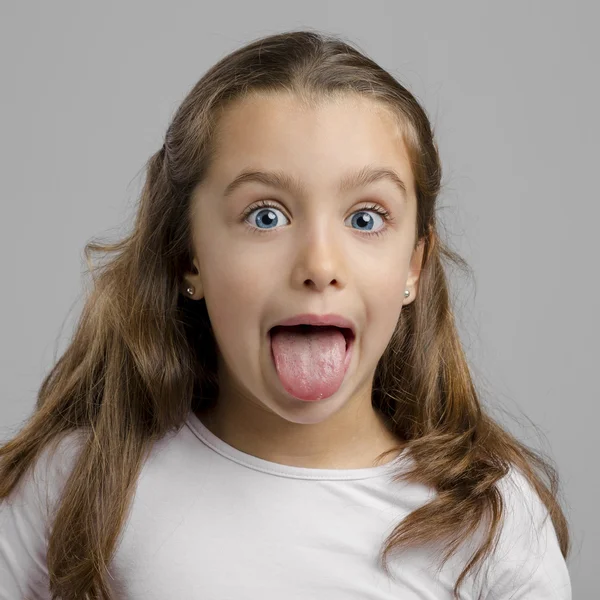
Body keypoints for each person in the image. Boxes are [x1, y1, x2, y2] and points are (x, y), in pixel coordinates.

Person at [0, 30, 571, 599]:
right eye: (266, 216)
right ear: (187, 256)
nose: (319, 265)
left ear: (413, 267)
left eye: (366, 218)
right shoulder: (75, 486)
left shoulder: (491, 526)